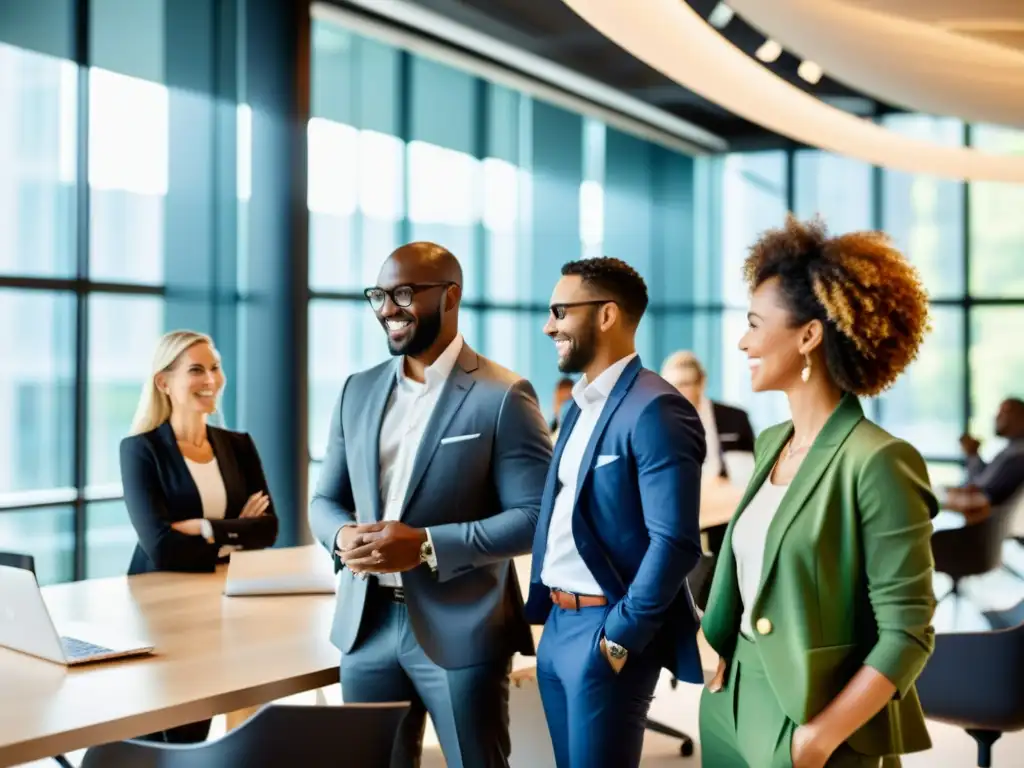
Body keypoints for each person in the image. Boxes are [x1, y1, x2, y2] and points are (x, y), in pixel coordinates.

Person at [700, 215, 937, 768]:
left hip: (812, 718)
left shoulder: (878, 461)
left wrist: (818, 740)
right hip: (729, 701)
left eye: (756, 324)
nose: (743, 341)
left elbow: (908, 633)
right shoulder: (770, 444)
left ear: (809, 335)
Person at [308, 242, 551, 768]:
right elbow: (325, 499)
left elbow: (536, 518)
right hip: (366, 627)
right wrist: (341, 536)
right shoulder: (358, 390)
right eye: (378, 295)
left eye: (402, 294)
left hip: (463, 629)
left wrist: (424, 547)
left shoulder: (503, 394)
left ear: (451, 296)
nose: (387, 309)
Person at [524, 257, 706, 768]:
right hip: (559, 625)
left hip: (606, 629)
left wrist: (621, 636)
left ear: (605, 316)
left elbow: (675, 542)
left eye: (560, 310)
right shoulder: (580, 405)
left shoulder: (657, 408)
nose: (549, 325)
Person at [120, 330, 278, 743]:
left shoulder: (238, 445)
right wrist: (234, 534)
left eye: (214, 367)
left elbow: (268, 529)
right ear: (164, 382)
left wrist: (205, 528)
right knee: (162, 724)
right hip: (160, 606)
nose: (211, 378)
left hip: (220, 601)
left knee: (203, 711)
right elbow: (161, 547)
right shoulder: (140, 450)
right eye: (196, 369)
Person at [660, 350, 756, 480]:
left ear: (701, 383)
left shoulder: (735, 418)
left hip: (727, 493)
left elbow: (751, 470)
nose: (676, 391)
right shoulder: (656, 423)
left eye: (684, 384)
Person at [945, 398, 1024, 518]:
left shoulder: (1018, 456)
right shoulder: (1010, 450)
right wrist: (973, 454)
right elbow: (984, 479)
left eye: (1004, 412)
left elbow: (982, 489)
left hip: (989, 527)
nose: (996, 417)